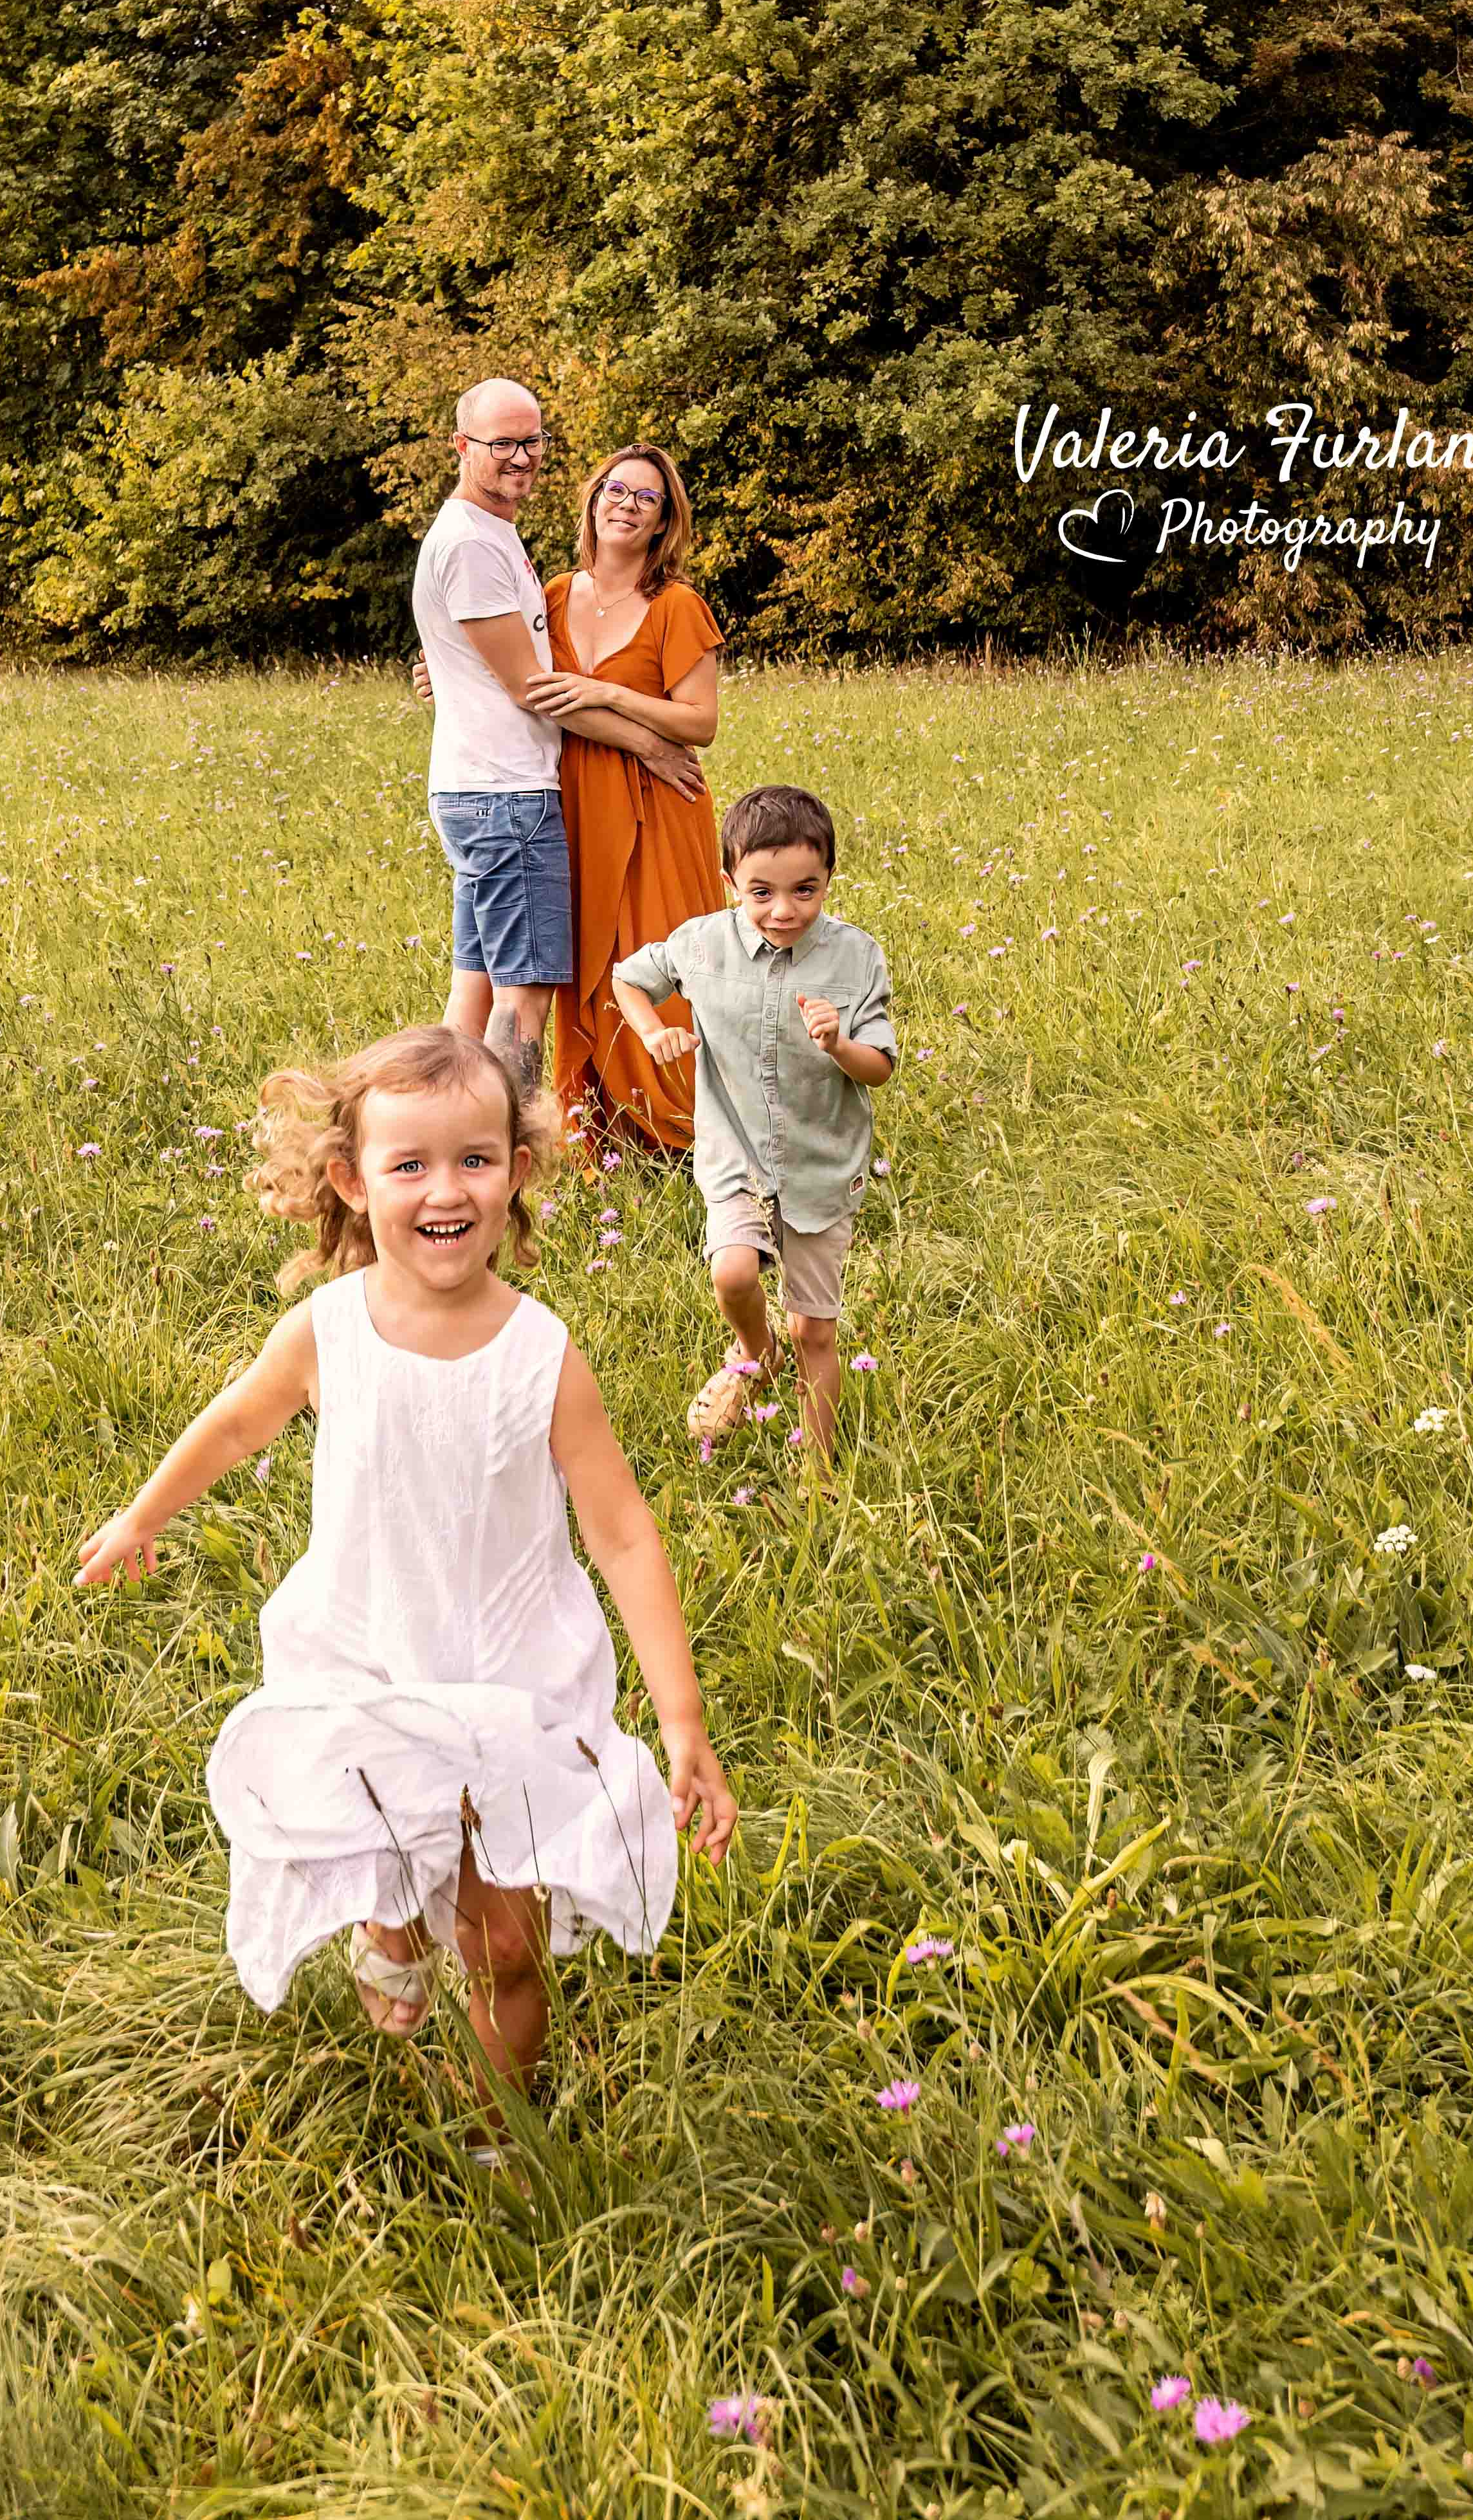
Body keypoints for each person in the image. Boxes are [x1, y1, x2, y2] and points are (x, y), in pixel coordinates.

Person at [73, 1023, 738, 2109]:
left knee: (506, 1943)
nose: (447, 1189)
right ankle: (390, 1916)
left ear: (517, 1173)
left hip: (511, 1679)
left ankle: (491, 2135)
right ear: (351, 1179)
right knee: (391, 1833)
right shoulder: (326, 1332)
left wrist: (680, 1716)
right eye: (410, 1164)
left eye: (475, 1159)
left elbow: (620, 1532)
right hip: (368, 1658)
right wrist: (142, 1515)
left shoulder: (542, 1356)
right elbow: (239, 1422)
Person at [409, 379, 700, 1093]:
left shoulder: (494, 537)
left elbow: (498, 660)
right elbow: (531, 687)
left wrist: (444, 676)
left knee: (474, 989)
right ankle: (507, 1162)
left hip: (490, 792)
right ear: (461, 447)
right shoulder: (474, 545)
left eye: (531, 441)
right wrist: (644, 741)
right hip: (507, 798)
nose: (519, 456)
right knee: (523, 1000)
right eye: (500, 442)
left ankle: (442, 1125)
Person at [611, 785, 895, 1474]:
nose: (783, 909)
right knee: (733, 1271)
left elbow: (879, 1066)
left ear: (828, 878)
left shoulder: (855, 957)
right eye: (760, 890)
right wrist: (652, 1032)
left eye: (805, 889)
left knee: (813, 1330)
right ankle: (753, 1350)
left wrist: (836, 1043)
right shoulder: (702, 943)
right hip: (734, 1150)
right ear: (729, 880)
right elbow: (629, 978)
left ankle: (818, 1471)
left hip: (820, 1162)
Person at [518, 445, 724, 1156]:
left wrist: (607, 691)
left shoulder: (675, 605)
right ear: (593, 499)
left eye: (646, 497)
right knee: (584, 959)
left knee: (656, 958)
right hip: (572, 801)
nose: (626, 504)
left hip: (658, 806)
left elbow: (699, 722)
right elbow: (515, 680)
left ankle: (687, 1131)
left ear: (665, 520)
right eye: (616, 489)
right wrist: (443, 680)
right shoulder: (548, 594)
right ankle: (600, 1131)